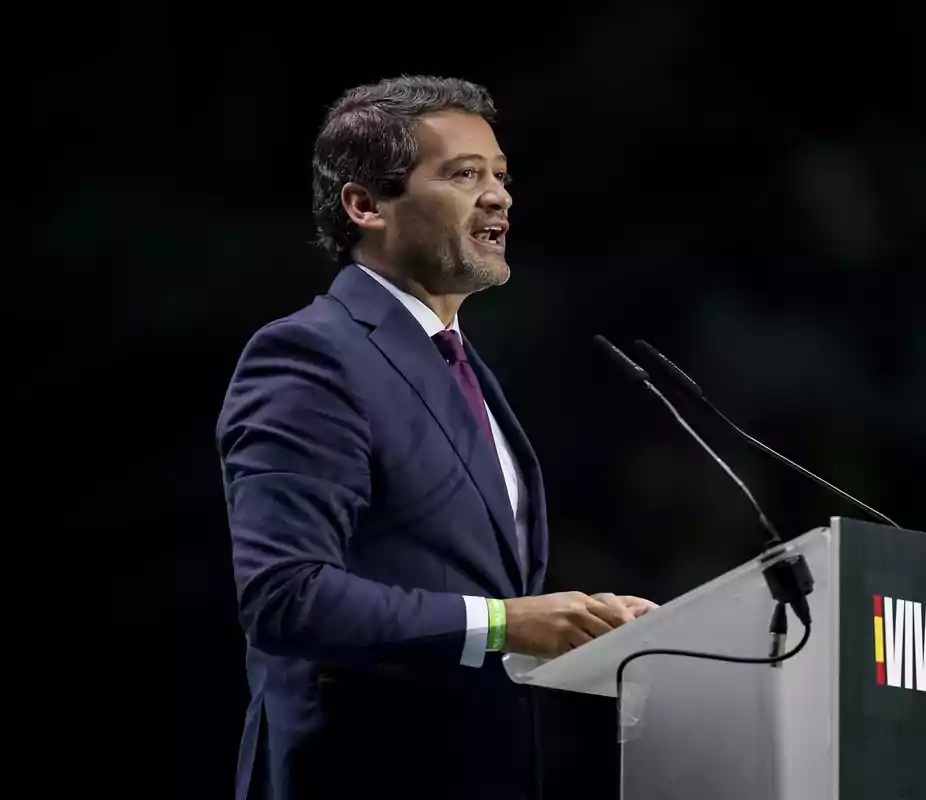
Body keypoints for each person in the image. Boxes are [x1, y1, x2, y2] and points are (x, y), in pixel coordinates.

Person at [216, 75, 656, 800]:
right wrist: (505, 622)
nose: (500, 197)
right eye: (464, 175)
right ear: (365, 205)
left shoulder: (465, 367)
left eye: (502, 177)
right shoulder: (311, 354)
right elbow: (284, 596)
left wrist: (580, 624)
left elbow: (466, 590)